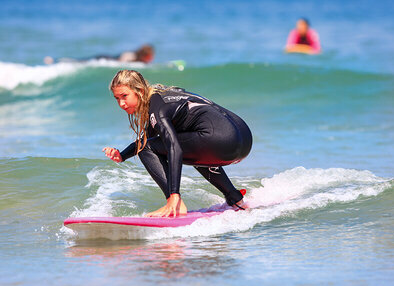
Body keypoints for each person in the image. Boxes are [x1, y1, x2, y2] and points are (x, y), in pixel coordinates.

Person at [103, 70, 253, 217]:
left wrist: (174, 194)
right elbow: (148, 138)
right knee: (192, 145)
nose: (121, 103)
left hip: (222, 142)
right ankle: (235, 198)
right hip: (243, 140)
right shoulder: (163, 95)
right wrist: (122, 155)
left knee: (148, 149)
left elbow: (173, 148)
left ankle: (175, 204)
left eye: (124, 96)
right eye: (117, 98)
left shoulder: (157, 109)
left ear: (140, 91)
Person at [44, 44, 154, 65]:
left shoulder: (139, 60)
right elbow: (121, 63)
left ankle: (55, 60)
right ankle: (55, 60)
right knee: (79, 61)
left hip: (106, 58)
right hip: (103, 58)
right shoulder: (131, 55)